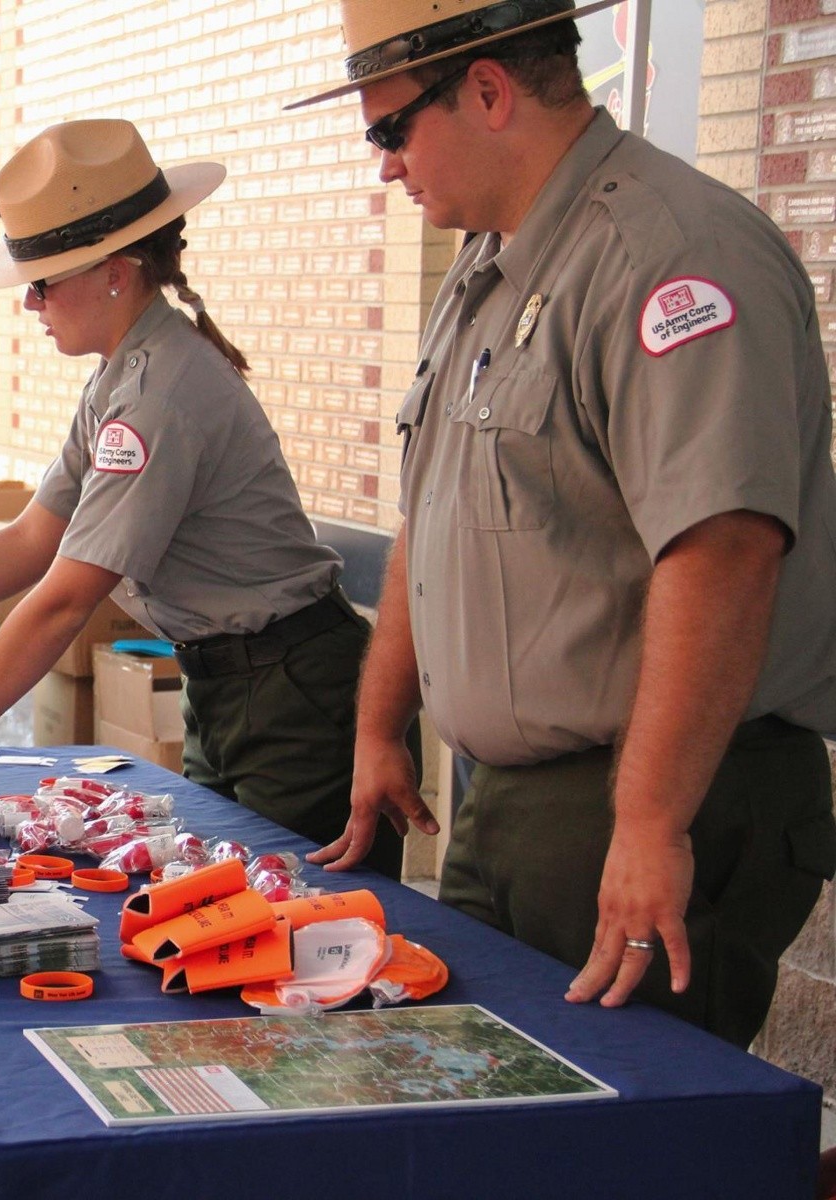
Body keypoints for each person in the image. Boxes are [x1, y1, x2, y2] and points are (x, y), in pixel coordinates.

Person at [295, 0, 836, 1047]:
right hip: (517, 805)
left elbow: (722, 553)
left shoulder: (670, 256)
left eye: (388, 129)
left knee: (624, 1138)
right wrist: (379, 724)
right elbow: (437, 511)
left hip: (652, 796)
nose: (384, 166)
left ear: (489, 91)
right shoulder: (491, 265)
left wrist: (649, 823)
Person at [0, 120, 390, 871]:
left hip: (291, 692)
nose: (31, 304)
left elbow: (65, 596)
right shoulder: (123, 375)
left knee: (285, 925)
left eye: (43, 282)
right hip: (236, 681)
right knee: (219, 901)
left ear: (116, 271)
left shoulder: (157, 391)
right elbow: (30, 538)